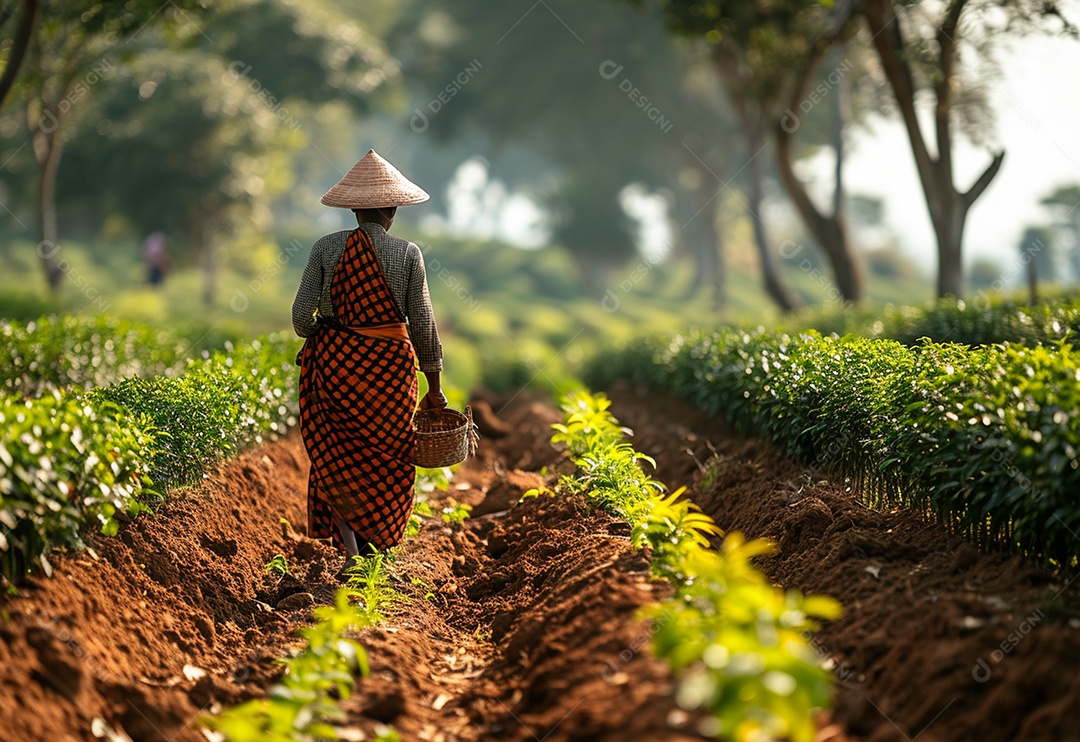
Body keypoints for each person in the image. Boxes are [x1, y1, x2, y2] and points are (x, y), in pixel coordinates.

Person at [291, 150, 446, 577]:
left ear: (354, 209)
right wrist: (434, 387)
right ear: (393, 210)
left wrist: (329, 333)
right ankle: (378, 548)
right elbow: (424, 324)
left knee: (336, 455)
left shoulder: (325, 248)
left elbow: (301, 318)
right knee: (390, 456)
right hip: (392, 374)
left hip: (335, 369)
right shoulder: (408, 254)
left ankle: (351, 552)